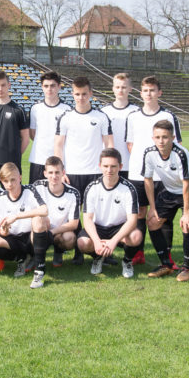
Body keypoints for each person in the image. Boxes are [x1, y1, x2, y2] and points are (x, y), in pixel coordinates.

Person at [54, 76, 113, 265]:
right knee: (73, 213)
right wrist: (62, 172)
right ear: (72, 94)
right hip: (72, 173)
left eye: (84, 94)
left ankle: (101, 251)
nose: (81, 98)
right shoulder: (66, 117)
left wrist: (106, 169)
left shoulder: (101, 117)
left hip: (95, 173)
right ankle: (76, 250)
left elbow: (109, 145)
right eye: (77, 94)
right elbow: (58, 146)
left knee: (97, 213)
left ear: (91, 94)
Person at [125, 75, 182, 266]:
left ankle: (167, 256)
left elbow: (176, 144)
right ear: (140, 93)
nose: (148, 94)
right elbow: (130, 144)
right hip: (138, 174)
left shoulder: (168, 116)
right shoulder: (133, 116)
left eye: (152, 90)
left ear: (159, 93)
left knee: (162, 216)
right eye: (145, 91)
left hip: (163, 176)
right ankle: (138, 253)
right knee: (140, 213)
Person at [143, 120, 189, 282]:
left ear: (173, 138)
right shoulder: (149, 153)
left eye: (165, 137)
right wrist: (152, 208)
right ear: (153, 138)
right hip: (170, 191)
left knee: (187, 224)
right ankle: (166, 264)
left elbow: (187, 183)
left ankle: (186, 268)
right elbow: (148, 180)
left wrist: (187, 213)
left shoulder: (181, 154)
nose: (161, 141)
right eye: (157, 137)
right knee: (153, 222)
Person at [0, 163, 48, 278]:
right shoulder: (1, 198)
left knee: (39, 219)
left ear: (20, 178)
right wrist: (4, 229)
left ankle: (38, 264)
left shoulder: (30, 190)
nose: (10, 184)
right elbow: (2, 232)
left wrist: (17, 216)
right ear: (1, 182)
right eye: (6, 181)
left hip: (32, 237)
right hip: (14, 240)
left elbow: (44, 210)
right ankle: (20, 258)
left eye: (13, 180)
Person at [77, 148, 142, 278]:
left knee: (136, 236)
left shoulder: (129, 189)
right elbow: (87, 219)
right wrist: (96, 241)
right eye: (106, 166)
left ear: (120, 167)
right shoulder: (92, 187)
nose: (109, 170)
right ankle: (98, 257)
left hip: (119, 227)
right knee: (83, 242)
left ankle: (127, 261)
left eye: (113, 166)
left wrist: (113, 241)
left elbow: (132, 220)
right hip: (99, 227)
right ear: (100, 166)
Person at [30, 156, 80, 287]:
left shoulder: (73, 193)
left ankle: (58, 251)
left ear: (63, 172)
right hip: (41, 228)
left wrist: (51, 233)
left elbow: (74, 223)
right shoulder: (37, 186)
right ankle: (38, 265)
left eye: (57, 172)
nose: (54, 176)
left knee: (70, 238)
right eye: (50, 172)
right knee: (38, 219)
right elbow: (32, 212)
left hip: (59, 231)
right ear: (45, 173)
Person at [28, 71, 72, 184]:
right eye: (46, 86)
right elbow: (32, 134)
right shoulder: (35, 108)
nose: (49, 89)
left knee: (58, 192)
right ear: (42, 87)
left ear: (59, 87)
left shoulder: (67, 109)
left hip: (58, 161)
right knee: (35, 192)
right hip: (38, 159)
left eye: (53, 85)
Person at [101, 73, 140, 179]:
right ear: (113, 88)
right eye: (117, 87)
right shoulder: (104, 112)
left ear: (130, 89)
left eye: (124, 87)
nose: (120, 90)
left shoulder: (137, 112)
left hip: (131, 164)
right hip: (109, 166)